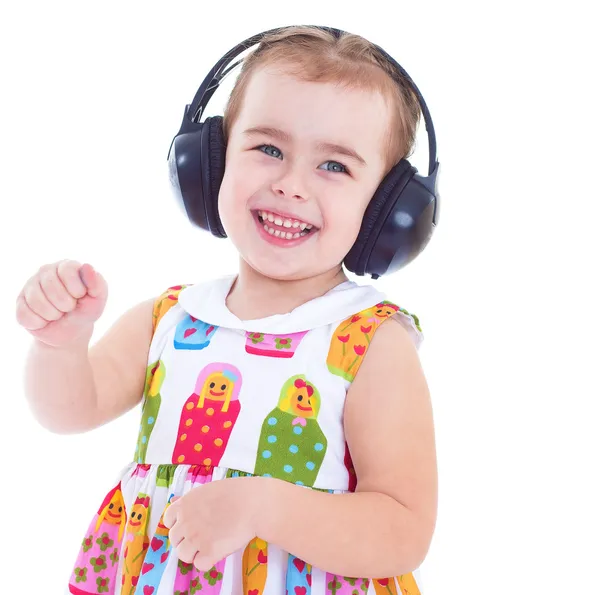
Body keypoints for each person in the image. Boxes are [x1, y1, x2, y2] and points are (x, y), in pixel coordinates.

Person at [17, 25, 438, 595]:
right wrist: (60, 345)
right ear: (208, 164)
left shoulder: (368, 344)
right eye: (268, 149)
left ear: (388, 210)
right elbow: (68, 410)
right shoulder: (171, 317)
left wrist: (268, 506)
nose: (291, 185)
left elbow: (403, 529)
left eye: (334, 166)